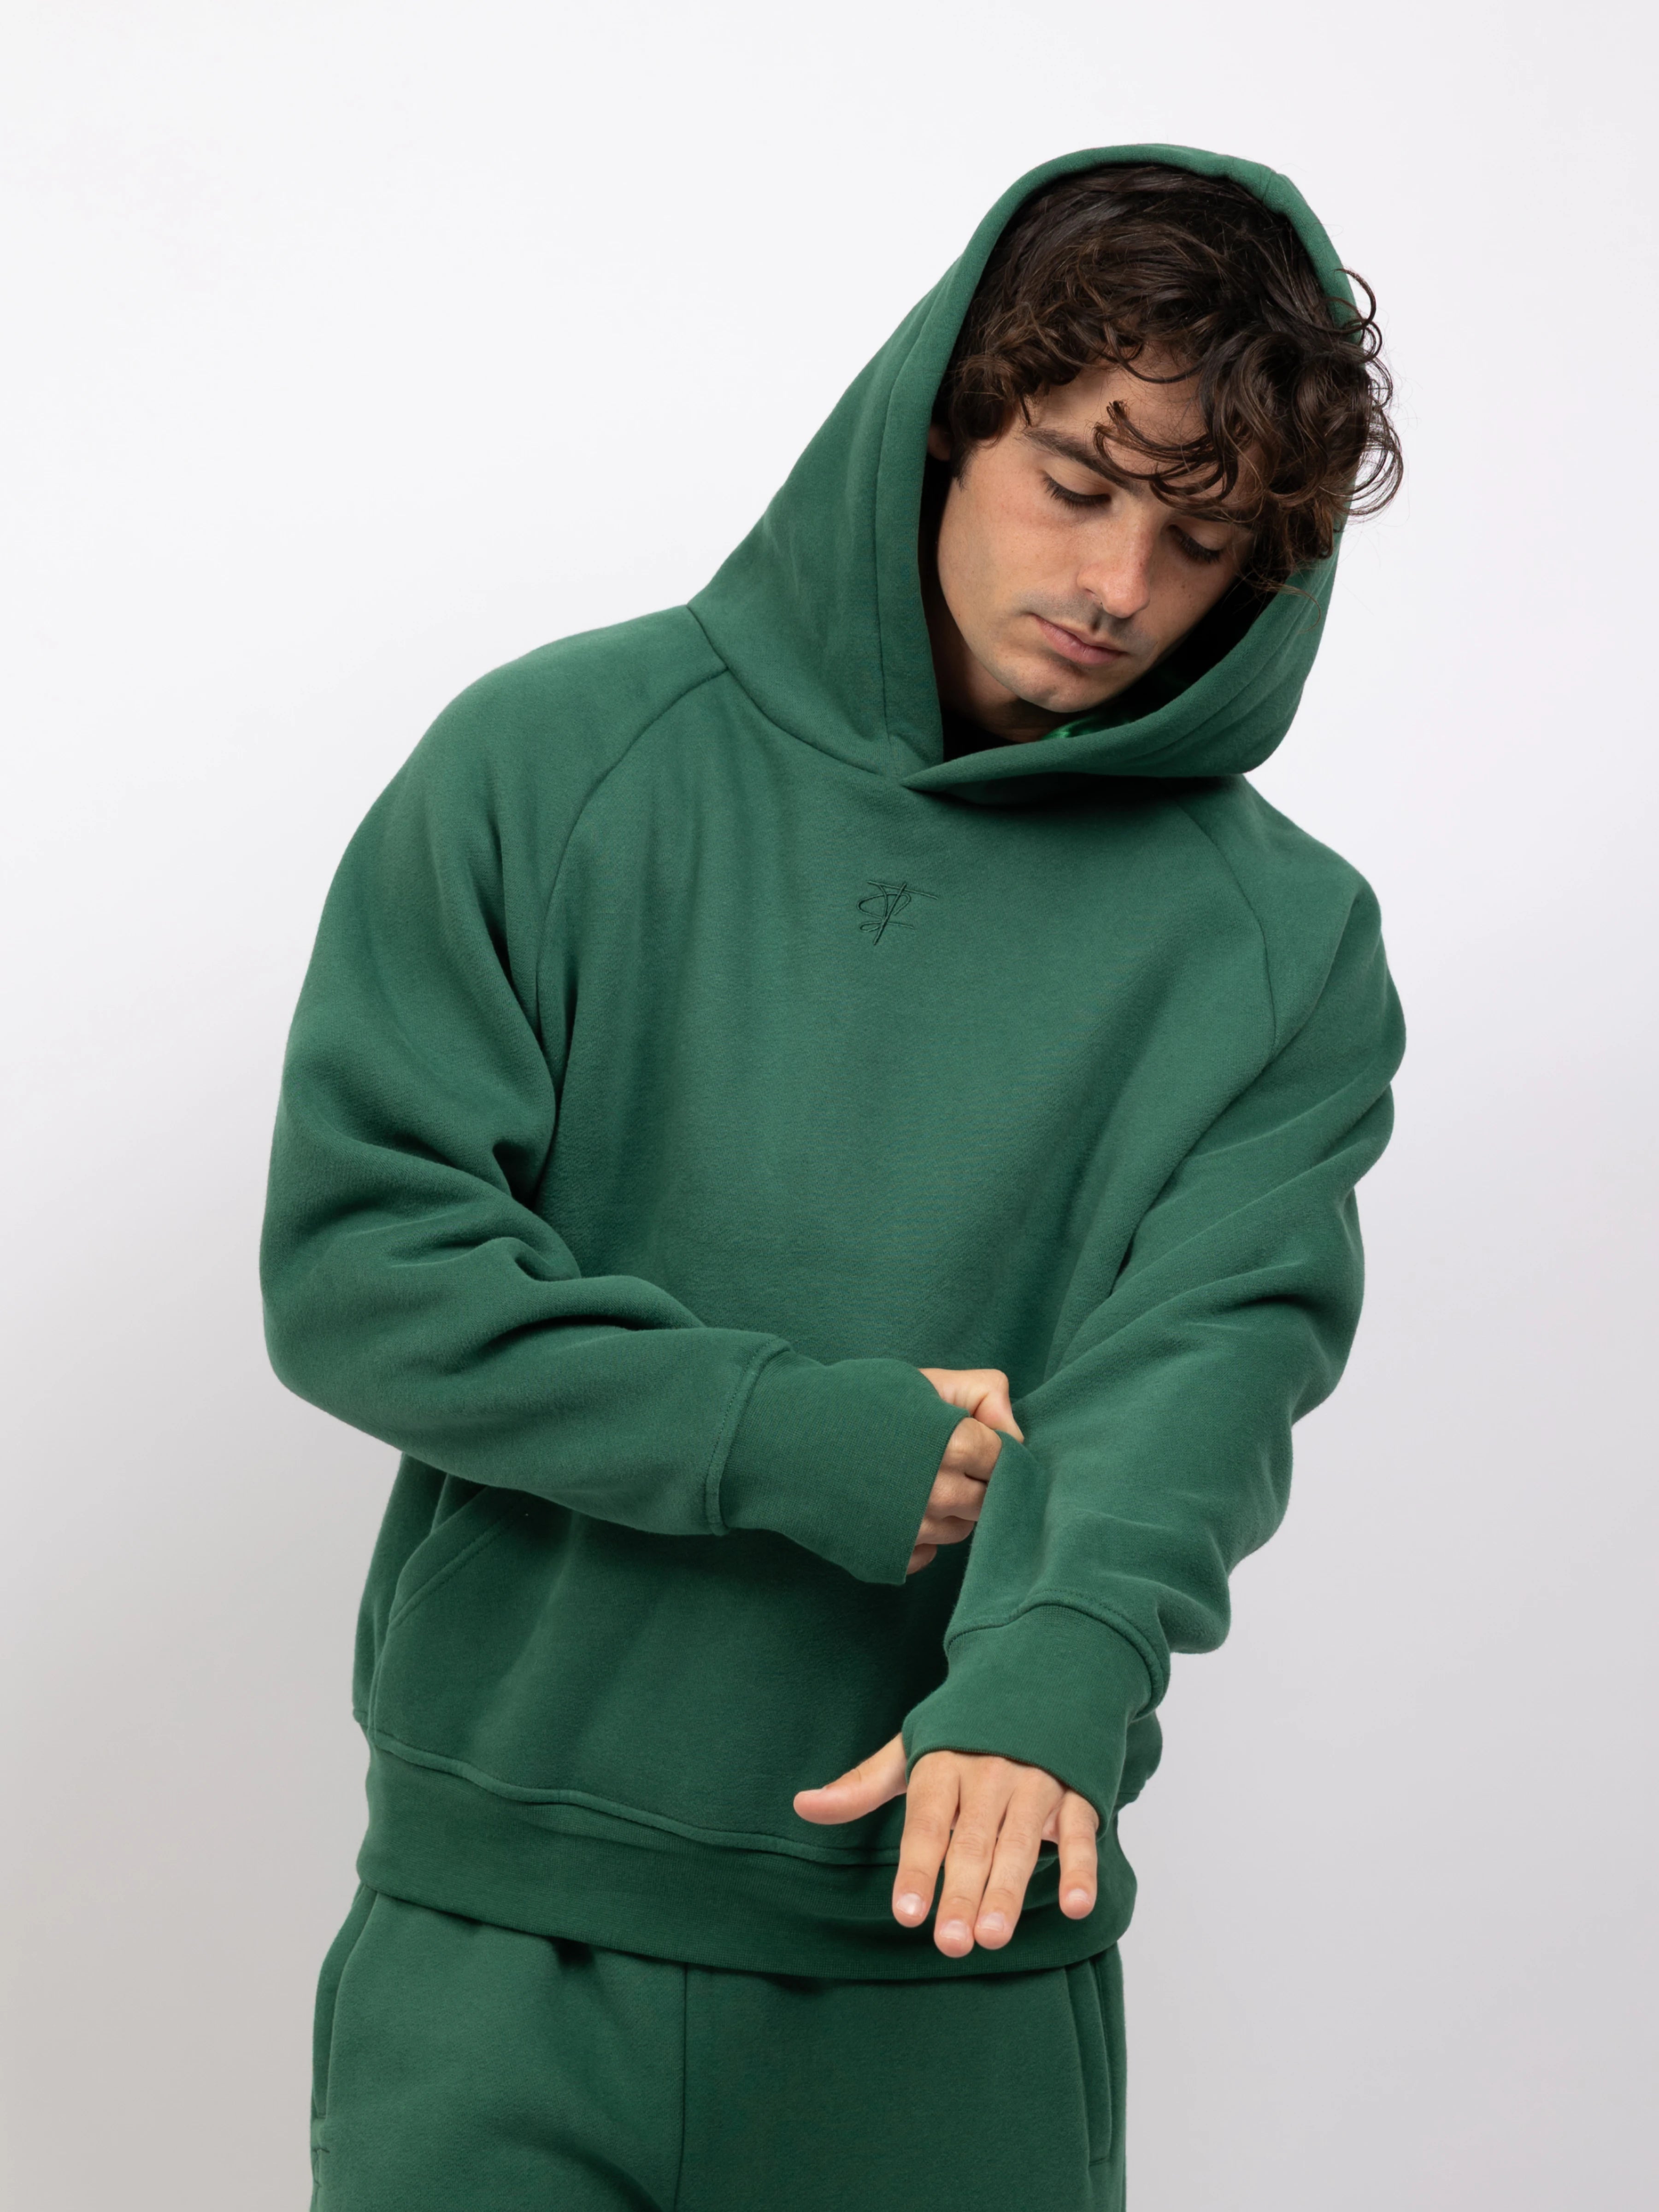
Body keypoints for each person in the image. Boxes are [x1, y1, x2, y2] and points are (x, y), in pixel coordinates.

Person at [262, 143, 1405, 2212]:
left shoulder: (1280, 946)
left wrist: (1060, 1660)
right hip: (502, 1943)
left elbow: (1213, 1358)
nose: (1121, 585)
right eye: (1079, 480)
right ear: (954, 413)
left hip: (951, 1949)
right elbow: (365, 1264)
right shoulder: (556, 763)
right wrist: (795, 1434)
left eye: (1202, 539)